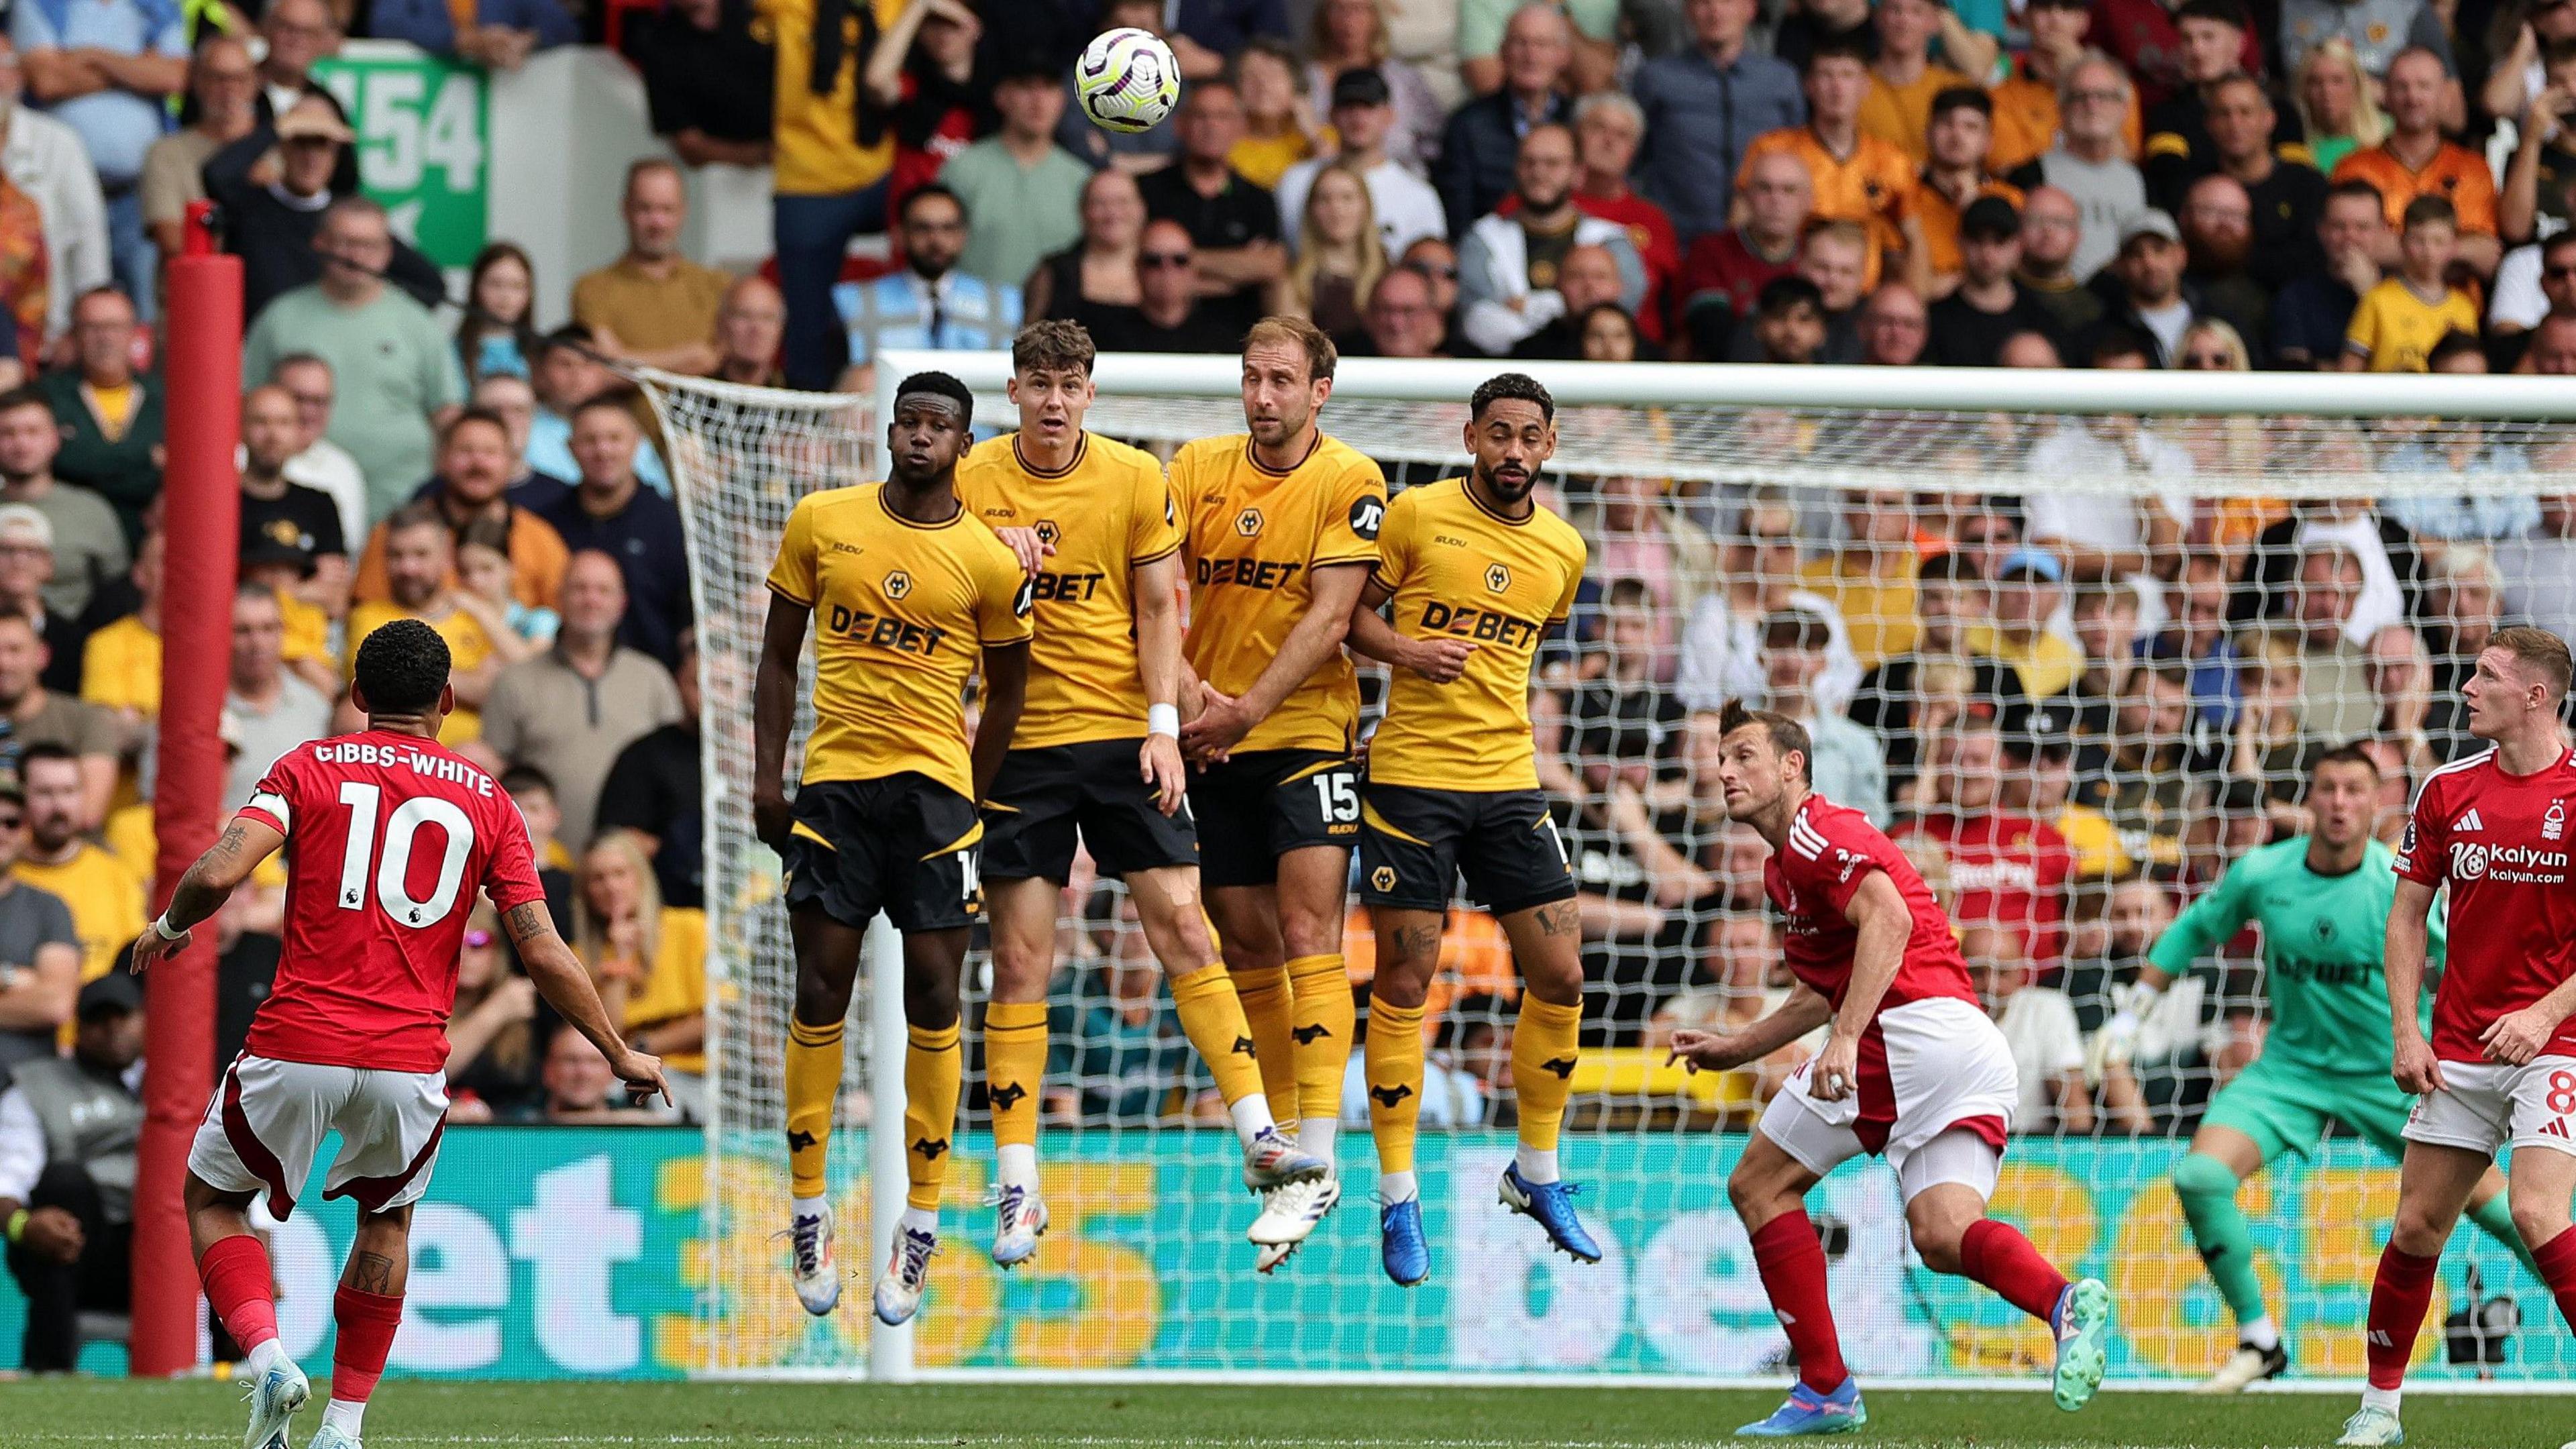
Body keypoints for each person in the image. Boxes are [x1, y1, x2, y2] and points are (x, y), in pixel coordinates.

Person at [142, 617, 663, 1449]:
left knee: (211, 1198)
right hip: (408, 1059)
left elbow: (217, 872)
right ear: (448, 702)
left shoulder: (307, 765)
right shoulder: (488, 800)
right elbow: (542, 949)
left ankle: (271, 1356)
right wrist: (617, 1050)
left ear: (356, 697)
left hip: (298, 1040)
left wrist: (170, 926)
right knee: (386, 1225)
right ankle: (345, 1428)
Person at [956, 321, 1324, 1269]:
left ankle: (1257, 1135)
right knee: (1020, 961)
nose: (1052, 400)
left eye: (1069, 384)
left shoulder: (1131, 478)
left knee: (1185, 929)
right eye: (1037, 383)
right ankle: (1017, 1185)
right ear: (1012, 393)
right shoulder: (968, 481)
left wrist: (1164, 727)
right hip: (1021, 749)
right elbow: (941, 600)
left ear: (1090, 393)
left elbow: (1162, 608)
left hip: (1123, 740)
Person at [1668, 701, 2112, 1435]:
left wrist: (1845, 1039)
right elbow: (1824, 985)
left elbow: (1892, 923)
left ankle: (1825, 1387)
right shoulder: (1787, 868)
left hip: (1905, 1033)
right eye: (1720, 758)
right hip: (1964, 1045)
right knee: (1942, 1234)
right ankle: (2063, 1304)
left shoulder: (1818, 832)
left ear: (1792, 766)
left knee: (1758, 1184)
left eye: (1743, 755)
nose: (1724, 770)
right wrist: (1740, 1046)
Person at [2099, 747, 2530, 1391]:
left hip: (2391, 1074)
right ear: (2309, 801)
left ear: (2378, 803)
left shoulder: (2398, 884)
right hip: (2291, 1072)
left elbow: (2470, 961)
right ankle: (2260, 1340)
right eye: (2327, 789)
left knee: (2512, 1213)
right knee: (2198, 1177)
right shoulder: (2263, 872)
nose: (2339, 803)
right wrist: (2130, 1014)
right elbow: (2193, 929)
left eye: (2355, 790)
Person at [751, 371, 1032, 1326]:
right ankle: (808, 1205)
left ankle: (919, 1224)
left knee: (938, 997)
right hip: (834, 789)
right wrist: (764, 779)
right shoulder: (822, 521)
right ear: (890, 433)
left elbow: (1010, 692)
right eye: (907, 422)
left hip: (934, 803)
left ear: (962, 441)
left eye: (937, 426)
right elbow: (777, 655)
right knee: (820, 990)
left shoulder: (990, 562)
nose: (919, 437)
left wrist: (974, 796)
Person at [1340, 372, 1595, 1285]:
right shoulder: (1413, 516)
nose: (1514, 453)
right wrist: (1410, 650)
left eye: (1530, 437)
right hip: (1410, 785)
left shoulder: (1563, 549)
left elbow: (1529, 650)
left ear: (1550, 446)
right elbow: (1345, 618)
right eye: (1499, 435)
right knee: (1406, 979)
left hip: (1509, 784)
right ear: (1470, 436)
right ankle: (1398, 1192)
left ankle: (1536, 1170)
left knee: (1562, 971)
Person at [1171, 317, 1387, 1273]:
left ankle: (1321, 1152)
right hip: (1210, 735)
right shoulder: (1192, 467)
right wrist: (1188, 701)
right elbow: (1157, 596)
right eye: (1253, 377)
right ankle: (1281, 1148)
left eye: (1283, 380)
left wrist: (1244, 710)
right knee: (1247, 941)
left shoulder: (1350, 480)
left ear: (1320, 390)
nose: (1263, 396)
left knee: (1311, 935)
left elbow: (1332, 614)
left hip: (1301, 734)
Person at [2341, 627, 2576, 1446]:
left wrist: (2546, 1013)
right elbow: (2407, 915)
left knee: (2537, 1211)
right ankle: (2378, 1411)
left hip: (2558, 1041)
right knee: (2415, 1227)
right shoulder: (2447, 789)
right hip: (2464, 1046)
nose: (2468, 688)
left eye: (2487, 676)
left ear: (2537, 696)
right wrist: (2408, 1032)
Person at [241, 199, 467, 525]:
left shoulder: (418, 323)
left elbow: (447, 415)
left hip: (402, 505)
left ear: (388, 251)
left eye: (369, 245)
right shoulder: (278, 319)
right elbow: (246, 403)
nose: (356, 256)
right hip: (295, 502)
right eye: (345, 243)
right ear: (320, 244)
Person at [477, 551, 680, 853]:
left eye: (603, 590)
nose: (591, 600)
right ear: (559, 598)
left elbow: (675, 770)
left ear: (622, 603)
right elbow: (491, 777)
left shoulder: (653, 680)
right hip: (538, 867)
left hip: (629, 874)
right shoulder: (515, 681)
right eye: (580, 589)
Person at [0, 971, 142, 1373]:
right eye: (98, 1019)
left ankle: (234, 1367)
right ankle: (50, 1366)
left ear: (146, 1019)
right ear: (77, 1029)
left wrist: (257, 1252)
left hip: (160, 1256)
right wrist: (24, 1225)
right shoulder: (35, 1087)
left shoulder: (179, 1083)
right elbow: (7, 1181)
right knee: (65, 1181)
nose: (112, 1029)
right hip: (75, 1248)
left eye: (123, 1016)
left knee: (198, 1198)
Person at [8, 0, 187, 315]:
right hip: (57, 190)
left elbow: (174, 77)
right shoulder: (41, 4)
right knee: (65, 307)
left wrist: (93, 56)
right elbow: (47, 81)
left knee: (142, 308)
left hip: (137, 193)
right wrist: (137, 67)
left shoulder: (157, 5)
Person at [205, 95, 445, 323]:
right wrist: (277, 127)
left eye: (322, 144)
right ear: (283, 147)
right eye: (301, 141)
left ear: (336, 154)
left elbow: (430, 286)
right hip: (264, 352)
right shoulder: (251, 207)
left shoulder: (345, 220)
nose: (311, 157)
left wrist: (365, 316)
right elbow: (218, 175)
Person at [1739, 40, 1930, 298]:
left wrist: (1913, 302)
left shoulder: (1892, 160)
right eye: (1826, 76)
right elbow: (1741, 222)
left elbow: (1915, 241)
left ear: (1866, 86)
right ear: (1809, 86)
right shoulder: (1773, 149)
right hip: (1787, 294)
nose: (1837, 88)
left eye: (1848, 76)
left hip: (1863, 299)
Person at [350, 409, 568, 613]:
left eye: (490, 452)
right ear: (442, 459)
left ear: (510, 462)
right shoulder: (396, 534)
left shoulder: (539, 539)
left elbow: (562, 624)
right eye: (466, 451)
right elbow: (366, 613)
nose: (478, 463)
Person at [1458, 124, 1646, 357]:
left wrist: (1525, 306)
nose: (1539, 173)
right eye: (1529, 162)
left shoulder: (1612, 239)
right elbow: (1478, 323)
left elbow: (1617, 318)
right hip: (1508, 373)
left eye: (1553, 164)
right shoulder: (1483, 237)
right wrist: (1564, 317)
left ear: (1578, 173)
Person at [1631, 0, 1804, 246]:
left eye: (1728, 1)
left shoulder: (1781, 80)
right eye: (1703, 2)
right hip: (1675, 236)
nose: (1716, 11)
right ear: (1688, 11)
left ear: (1750, 9)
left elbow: (1798, 156)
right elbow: (1635, 158)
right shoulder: (1656, 77)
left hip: (1760, 240)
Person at [537, 398, 692, 670]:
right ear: (571, 448)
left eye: (615, 439)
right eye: (590, 440)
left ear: (637, 443)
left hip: (654, 681)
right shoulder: (547, 524)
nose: (603, 450)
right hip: (560, 676)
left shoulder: (671, 522)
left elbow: (690, 616)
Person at [1137, 78, 1286, 339]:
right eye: (1201, 116)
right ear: (1180, 125)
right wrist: (1236, 271)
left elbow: (1269, 267)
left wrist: (1179, 263)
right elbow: (1129, 268)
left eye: (1223, 117)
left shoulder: (1258, 198)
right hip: (1153, 333)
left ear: (1241, 127)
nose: (1211, 126)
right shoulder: (1147, 191)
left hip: (1239, 336)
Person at [2332, 48, 2501, 275]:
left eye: (2424, 86)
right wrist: (2455, 250)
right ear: (2387, 96)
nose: (2413, 97)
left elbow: (2486, 256)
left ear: (2443, 96)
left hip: (2459, 306)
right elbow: (2351, 249)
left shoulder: (2473, 168)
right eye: (2402, 87)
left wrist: (2394, 248)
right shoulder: (2353, 167)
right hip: (2377, 303)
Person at [344, 506, 498, 748]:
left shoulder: (477, 616)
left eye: (421, 554)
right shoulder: (367, 617)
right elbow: (375, 686)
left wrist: (408, 671)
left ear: (447, 556)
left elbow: (494, 692)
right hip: (391, 766)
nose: (408, 568)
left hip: (472, 766)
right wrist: (465, 681)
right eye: (397, 555)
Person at [833, 183, 1020, 380]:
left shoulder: (1006, 302)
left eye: (948, 228)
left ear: (962, 235)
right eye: (923, 228)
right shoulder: (852, 300)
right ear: (900, 235)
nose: (936, 240)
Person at [936, 55, 1087, 294]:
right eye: (1026, 87)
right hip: (973, 320)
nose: (1038, 101)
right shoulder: (961, 171)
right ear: (1001, 97)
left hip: (1055, 326)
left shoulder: (1082, 180)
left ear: (1062, 100)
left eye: (1049, 88)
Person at [572, 160, 731, 376]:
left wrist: (626, 359)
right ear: (625, 210)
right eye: (645, 209)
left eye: (667, 209)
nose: (657, 222)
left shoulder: (719, 286)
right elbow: (603, 365)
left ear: (683, 212)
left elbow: (722, 362)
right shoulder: (592, 289)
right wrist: (692, 355)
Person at [0, 37, 109, 344]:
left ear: (19, 76)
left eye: (2, 68)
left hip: (47, 334)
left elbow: (88, 240)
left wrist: (83, 330)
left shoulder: (59, 142)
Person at [1274, 67, 1446, 258]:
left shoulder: (1419, 196)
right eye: (1348, 106)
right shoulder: (1295, 181)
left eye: (1369, 106)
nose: (1358, 116)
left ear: (1389, 116)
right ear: (1331, 115)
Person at [2004, 53, 2147, 282]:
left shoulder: (2140, 179)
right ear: (2061, 109)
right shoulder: (2028, 175)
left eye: (2104, 96)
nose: (2092, 106)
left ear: (2124, 109)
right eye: (2080, 96)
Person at [1435, 3, 1575, 235]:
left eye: (1542, 44)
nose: (1531, 56)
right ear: (1503, 51)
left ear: (1563, 56)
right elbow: (1457, 216)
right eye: (1521, 43)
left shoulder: (1579, 120)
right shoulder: (1467, 125)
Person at [11, 741, 138, 990]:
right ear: (20, 797)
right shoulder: (7, 879)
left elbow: (133, 962)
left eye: (69, 791)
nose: (59, 806)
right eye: (45, 793)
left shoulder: (115, 874)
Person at [38, 288, 156, 545]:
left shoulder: (164, 398)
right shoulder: (46, 396)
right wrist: (147, 461)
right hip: (67, 539)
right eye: (93, 327)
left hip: (147, 543)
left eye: (115, 326)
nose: (105, 338)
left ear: (135, 333)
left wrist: (87, 464)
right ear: (74, 335)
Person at [0, 386, 123, 624]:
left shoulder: (92, 512)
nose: (21, 444)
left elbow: (118, 594)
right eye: (8, 433)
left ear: (54, 439)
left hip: (73, 646)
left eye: (33, 432)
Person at [596, 635, 702, 910]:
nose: (711, 696)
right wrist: (671, 847)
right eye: (699, 685)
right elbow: (614, 841)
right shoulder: (645, 754)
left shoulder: (759, 755)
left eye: (726, 685)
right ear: (679, 683)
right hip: (667, 910)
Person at [1676, 148, 1810, 356]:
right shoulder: (1710, 252)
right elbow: (1712, 335)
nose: (1776, 199)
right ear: (1746, 196)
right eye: (1765, 188)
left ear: (1808, 201)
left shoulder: (1818, 259)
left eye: (1789, 190)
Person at [140, 34, 258, 260]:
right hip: (195, 287)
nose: (230, 88)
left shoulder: (275, 148)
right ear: (198, 81)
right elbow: (172, 241)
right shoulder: (166, 153)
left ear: (255, 83)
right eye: (219, 78)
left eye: (240, 79)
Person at [238, 387, 349, 623]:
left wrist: (257, 586)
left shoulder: (320, 504)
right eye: (261, 422)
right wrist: (304, 590)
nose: (272, 434)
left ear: (298, 431)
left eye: (283, 423)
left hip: (308, 644)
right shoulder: (222, 505)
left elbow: (337, 600)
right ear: (241, 428)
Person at [1302, 0, 1442, 173]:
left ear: (1377, 17)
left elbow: (1433, 138)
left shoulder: (1404, 78)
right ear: (1323, 17)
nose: (1350, 20)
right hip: (1325, 180)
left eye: (1360, 9)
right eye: (1339, 9)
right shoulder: (1303, 79)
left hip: (1399, 177)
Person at [2343, 195, 2479, 370]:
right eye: (2419, 240)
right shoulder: (2377, 300)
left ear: (2453, 246)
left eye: (2439, 241)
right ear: (2403, 242)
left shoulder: (2464, 309)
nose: (2429, 251)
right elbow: (2349, 370)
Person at [633, 0, 773, 170]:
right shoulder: (662, 45)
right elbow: (688, 144)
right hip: (716, 178)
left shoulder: (760, 14)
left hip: (795, 163)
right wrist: (758, 154)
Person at [226, 584, 333, 808]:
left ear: (282, 633)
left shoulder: (316, 707)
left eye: (268, 629)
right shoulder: (203, 712)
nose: (257, 643)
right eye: (243, 631)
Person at [1927, 196, 2063, 366]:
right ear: (1960, 242)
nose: (1987, 253)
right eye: (1977, 240)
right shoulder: (1935, 320)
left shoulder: (2043, 320)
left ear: (2018, 246)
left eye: (1999, 241)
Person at [2273, 179, 2387, 368]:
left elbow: (2406, 367)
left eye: (2363, 228)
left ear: (2383, 231)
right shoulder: (2295, 297)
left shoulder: (2406, 290)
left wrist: (2370, 297)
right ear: (2321, 230)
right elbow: (2296, 375)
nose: (2350, 237)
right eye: (2339, 226)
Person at [1023, 168, 1146, 333]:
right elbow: (1030, 342)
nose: (1112, 213)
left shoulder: (1169, 264)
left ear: (1141, 209)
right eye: (1100, 203)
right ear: (1082, 211)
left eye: (1122, 202)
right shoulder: (1053, 273)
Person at [268, 354, 368, 551]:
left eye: (319, 401)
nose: (309, 412)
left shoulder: (344, 468)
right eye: (299, 399)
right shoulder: (238, 459)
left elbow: (348, 554)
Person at [1274, 162, 1385, 335]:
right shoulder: (1295, 283)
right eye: (1325, 199)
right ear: (1311, 210)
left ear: (1366, 207)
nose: (1336, 209)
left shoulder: (1389, 273)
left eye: (1347, 198)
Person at [1097, 218, 1238, 353]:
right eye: (1154, 261)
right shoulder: (1106, 340)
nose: (1167, 269)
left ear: (1193, 268)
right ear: (1137, 267)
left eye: (1180, 260)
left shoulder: (1222, 341)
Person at [1858, 0, 1971, 163]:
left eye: (1916, 12)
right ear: (1878, 18)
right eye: (1895, 10)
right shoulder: (1851, 85)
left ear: (1935, 22)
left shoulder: (1958, 89)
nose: (1904, 20)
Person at [453, 243, 538, 388]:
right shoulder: (452, 353)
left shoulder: (541, 353)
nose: (506, 296)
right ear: (476, 288)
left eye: (517, 286)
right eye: (495, 284)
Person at [708, 274, 787, 387]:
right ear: (721, 324)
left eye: (767, 318)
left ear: (781, 329)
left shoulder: (804, 400)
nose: (756, 328)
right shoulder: (693, 397)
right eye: (744, 315)